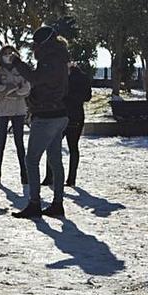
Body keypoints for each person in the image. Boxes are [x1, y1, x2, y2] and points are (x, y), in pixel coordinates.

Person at [9, 26, 71, 219]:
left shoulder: (50, 59)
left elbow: (35, 79)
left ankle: (34, 203)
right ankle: (57, 204)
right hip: (59, 114)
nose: (33, 48)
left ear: (42, 44)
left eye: (35, 44)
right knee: (55, 160)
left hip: (47, 116)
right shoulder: (58, 56)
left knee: (32, 159)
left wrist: (18, 63)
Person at [0, 45, 31, 186]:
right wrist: (12, 89)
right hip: (2, 110)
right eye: (5, 53)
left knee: (20, 143)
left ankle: (25, 174)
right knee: (1, 143)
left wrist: (10, 91)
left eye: (10, 53)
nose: (8, 55)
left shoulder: (22, 70)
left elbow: (26, 88)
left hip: (19, 109)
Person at [44, 60, 93, 188]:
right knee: (73, 147)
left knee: (52, 146)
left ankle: (49, 177)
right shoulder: (83, 77)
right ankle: (71, 179)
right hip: (77, 115)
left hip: (60, 115)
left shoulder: (61, 77)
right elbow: (88, 97)